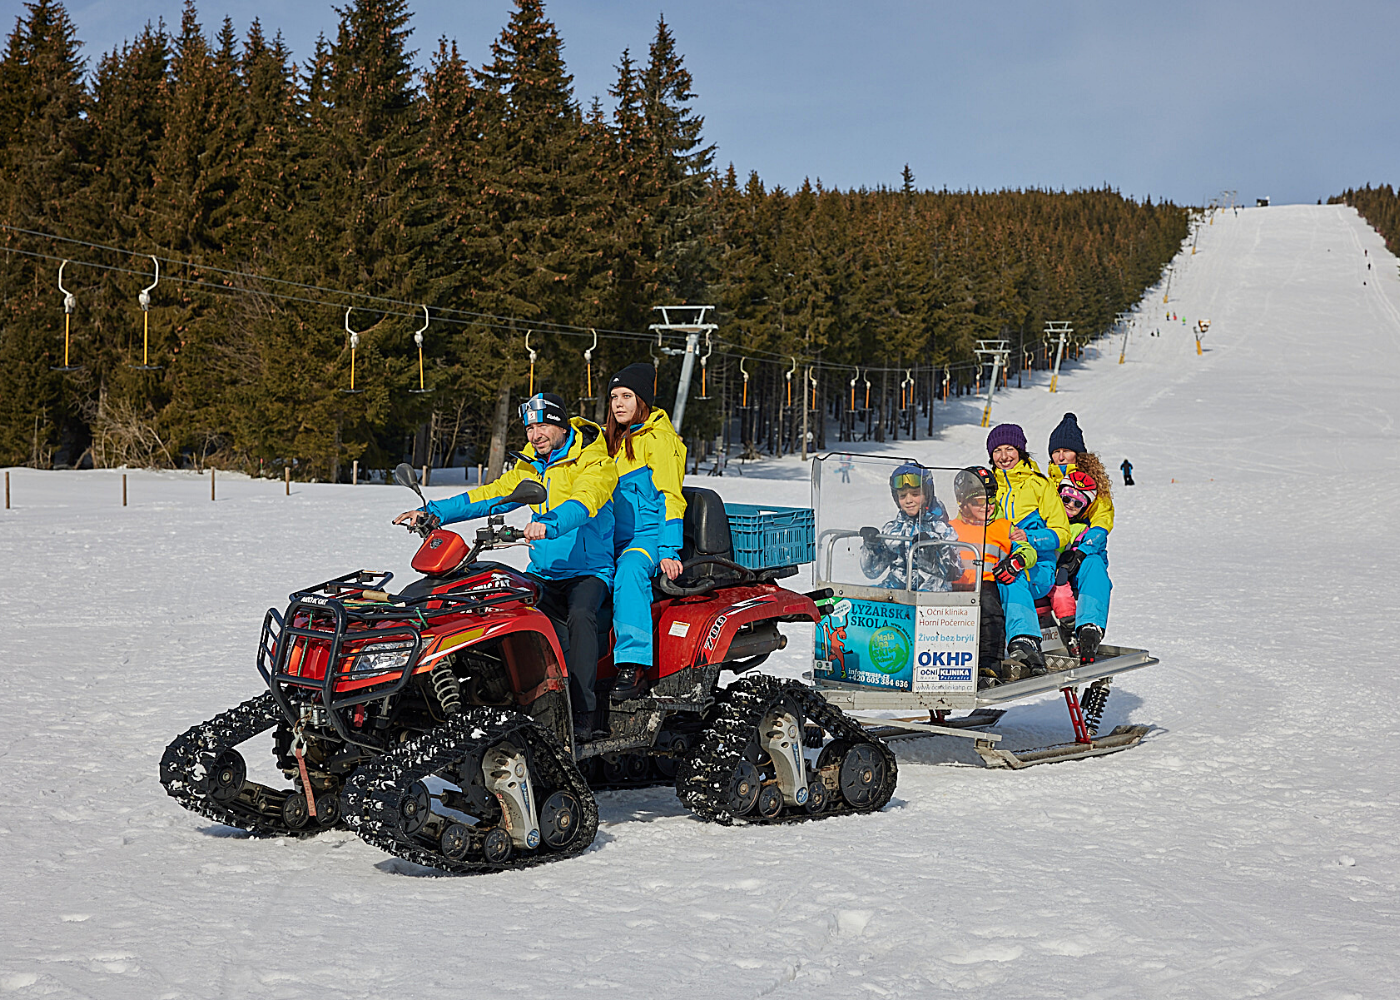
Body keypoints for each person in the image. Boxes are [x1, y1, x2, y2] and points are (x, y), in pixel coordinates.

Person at [394, 393, 617, 740]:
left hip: (587, 572)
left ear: (560, 425)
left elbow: (585, 500)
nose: (534, 435)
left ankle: (585, 713)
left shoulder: (595, 462)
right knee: (499, 608)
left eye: (542, 425)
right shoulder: (531, 464)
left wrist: (551, 522)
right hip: (544, 571)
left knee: (581, 616)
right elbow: (491, 494)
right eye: (529, 427)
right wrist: (435, 512)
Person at [603, 363, 688, 702]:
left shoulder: (660, 441)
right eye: (613, 397)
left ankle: (632, 663)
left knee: (630, 572)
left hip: (648, 537)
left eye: (627, 396)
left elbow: (671, 496)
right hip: (611, 538)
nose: (618, 404)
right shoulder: (610, 441)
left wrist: (668, 547)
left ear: (642, 401)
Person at [985, 423, 1072, 671]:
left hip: (1038, 567)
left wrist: (1029, 537)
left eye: (1009, 449)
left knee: (1011, 576)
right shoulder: (987, 484)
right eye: (997, 450)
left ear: (1020, 450)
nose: (1004, 457)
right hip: (994, 560)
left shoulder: (1039, 485)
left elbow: (1062, 532)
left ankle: (1026, 639)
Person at [949, 467, 1040, 683]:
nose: (987, 507)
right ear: (963, 503)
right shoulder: (951, 528)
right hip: (956, 584)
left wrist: (1016, 561)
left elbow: (1027, 550)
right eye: (978, 502)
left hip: (987, 583)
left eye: (991, 500)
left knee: (990, 612)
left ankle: (989, 664)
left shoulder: (1003, 527)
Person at [1045, 414, 1117, 662]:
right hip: (1052, 549)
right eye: (1056, 452)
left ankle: (1089, 627)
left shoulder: (1095, 485)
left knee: (1094, 568)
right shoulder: (1045, 483)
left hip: (1082, 552)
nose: (1060, 457)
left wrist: (1081, 551)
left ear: (1079, 455)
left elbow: (1102, 522)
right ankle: (1063, 627)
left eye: (1066, 451)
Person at [858, 464, 963, 592]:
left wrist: (931, 551)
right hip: (898, 588)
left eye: (915, 494)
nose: (908, 501)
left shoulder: (942, 530)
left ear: (927, 494)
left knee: (922, 597)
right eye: (902, 496)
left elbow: (955, 571)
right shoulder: (894, 529)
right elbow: (872, 571)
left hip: (933, 591)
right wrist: (872, 546)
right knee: (866, 596)